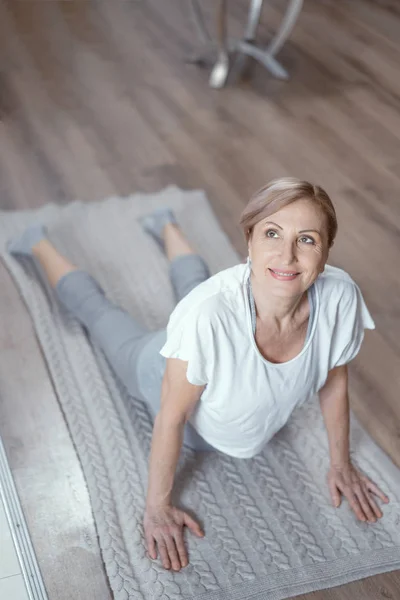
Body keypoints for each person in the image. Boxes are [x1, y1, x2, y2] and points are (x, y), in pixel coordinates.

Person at [8, 177, 389, 574]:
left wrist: (340, 461)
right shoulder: (207, 316)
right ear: (250, 240)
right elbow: (171, 418)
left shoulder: (339, 297)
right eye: (272, 233)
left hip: (209, 343)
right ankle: (38, 242)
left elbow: (333, 378)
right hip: (157, 367)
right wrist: (157, 508)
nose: (287, 255)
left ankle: (165, 224)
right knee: (102, 315)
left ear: (327, 251)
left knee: (196, 285)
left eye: (307, 239)